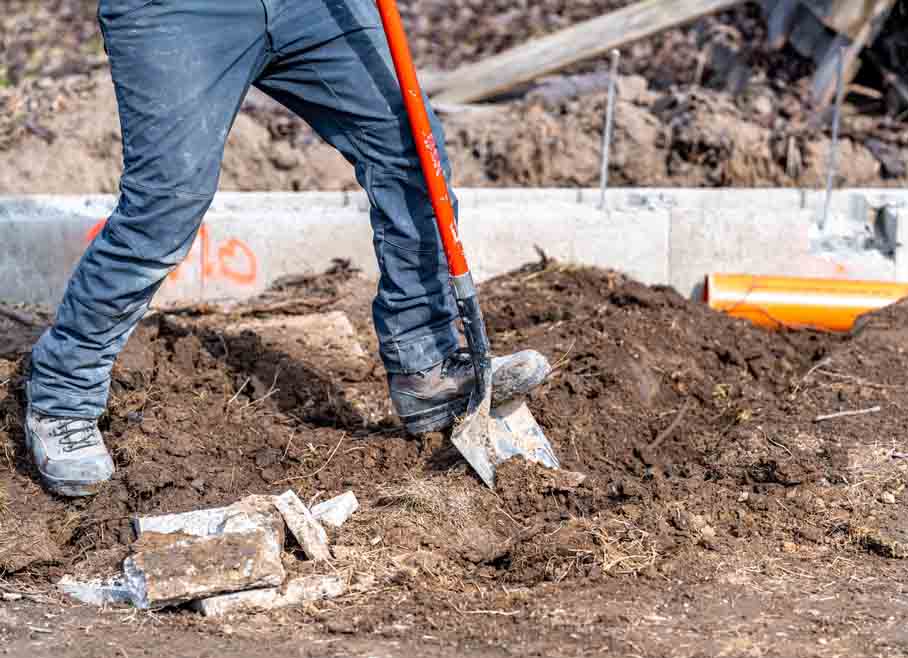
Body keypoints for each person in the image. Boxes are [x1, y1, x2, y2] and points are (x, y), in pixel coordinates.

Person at [24, 0, 549, 498]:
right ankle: (62, 395)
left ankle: (427, 365)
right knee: (166, 204)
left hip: (319, 8)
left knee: (413, 156)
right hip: (178, 11)